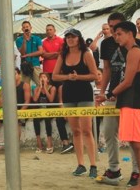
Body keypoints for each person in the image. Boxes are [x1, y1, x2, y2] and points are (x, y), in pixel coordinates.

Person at [95, 12, 140, 187]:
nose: (114, 31)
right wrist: (102, 92)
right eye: (111, 26)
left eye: (117, 27)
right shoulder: (106, 43)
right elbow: (106, 69)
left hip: (131, 95)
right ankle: (114, 169)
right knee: (108, 132)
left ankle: (137, 171)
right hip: (112, 93)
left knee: (132, 135)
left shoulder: (135, 44)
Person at [52, 28, 98, 178]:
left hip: (84, 93)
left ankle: (93, 165)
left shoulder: (86, 53)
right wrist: (68, 77)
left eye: (73, 37)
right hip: (69, 94)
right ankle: (80, 164)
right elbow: (55, 76)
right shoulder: (63, 55)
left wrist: (78, 77)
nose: (70, 39)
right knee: (76, 131)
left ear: (79, 39)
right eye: (68, 37)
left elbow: (95, 75)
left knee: (87, 130)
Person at [111, 21, 140, 190]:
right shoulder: (134, 52)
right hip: (132, 101)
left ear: (130, 34)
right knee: (135, 144)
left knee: (139, 144)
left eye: (119, 34)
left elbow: (127, 82)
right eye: (115, 34)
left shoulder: (134, 52)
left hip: (133, 102)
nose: (116, 37)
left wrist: (109, 94)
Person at [32, 72, 54, 153]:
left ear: (48, 80)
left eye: (44, 77)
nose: (42, 79)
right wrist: (40, 88)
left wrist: (45, 88)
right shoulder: (36, 89)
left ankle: (49, 143)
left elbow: (51, 100)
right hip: (40, 110)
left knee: (47, 119)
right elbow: (35, 99)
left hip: (49, 110)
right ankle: (39, 143)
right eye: (41, 77)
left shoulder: (52, 88)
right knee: (35, 119)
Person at [16, 21, 43, 86]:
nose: (26, 28)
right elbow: (22, 52)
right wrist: (24, 40)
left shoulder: (37, 38)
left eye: (27, 27)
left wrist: (28, 55)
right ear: (22, 29)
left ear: (31, 28)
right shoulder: (19, 40)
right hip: (25, 66)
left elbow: (40, 52)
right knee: (25, 87)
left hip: (35, 65)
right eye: (24, 27)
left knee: (41, 84)